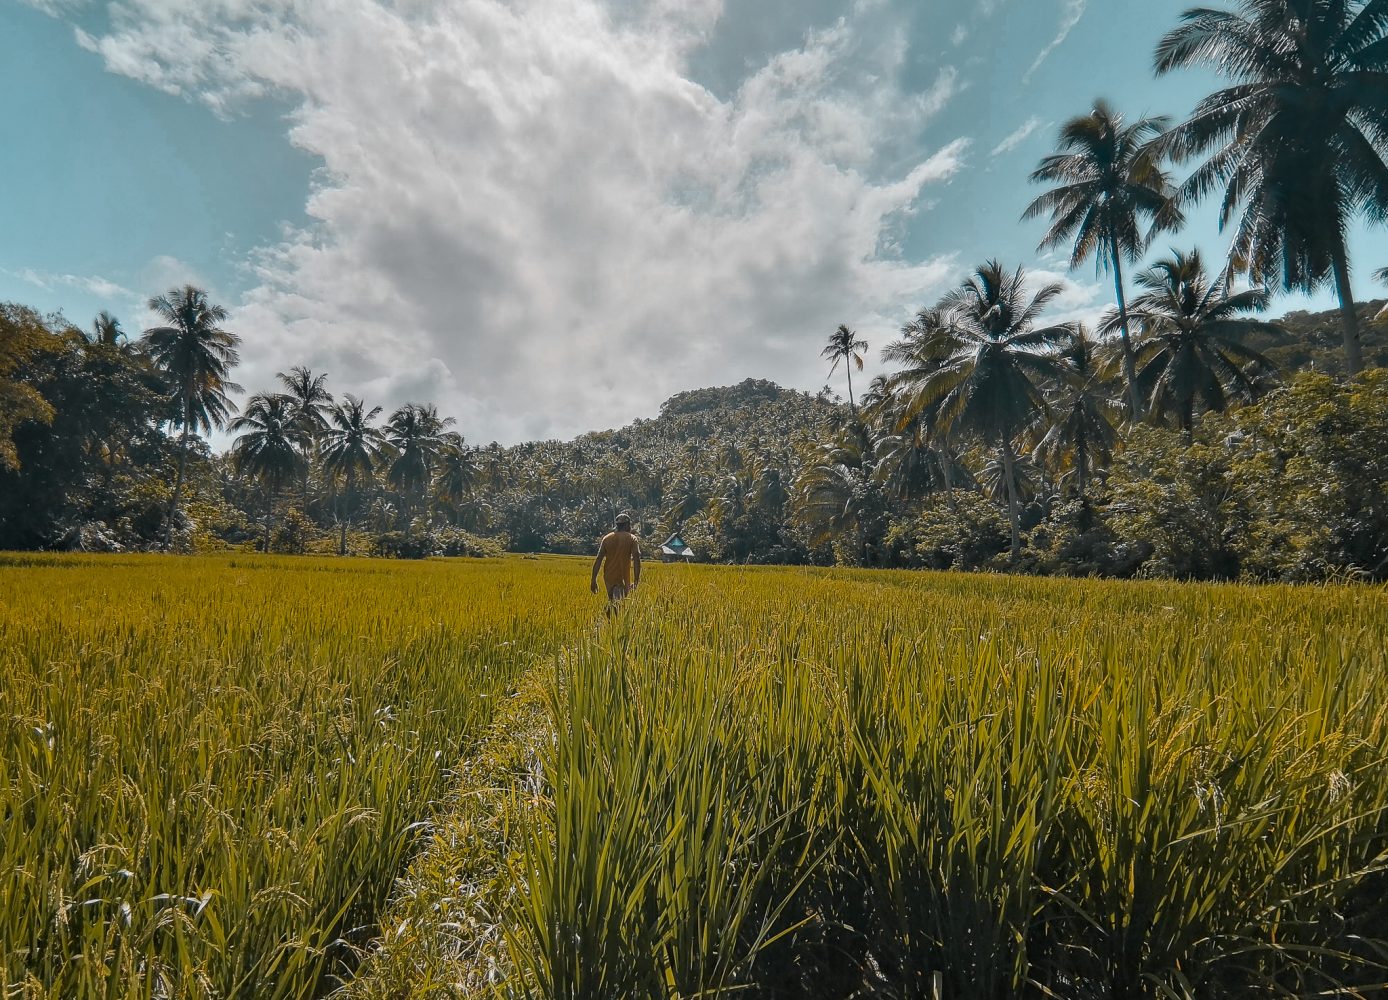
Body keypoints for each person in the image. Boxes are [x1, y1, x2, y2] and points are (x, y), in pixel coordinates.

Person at [591, 512, 641, 607]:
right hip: (622, 577)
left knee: (614, 603)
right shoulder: (632, 539)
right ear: (627, 525)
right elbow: (637, 559)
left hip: (608, 578)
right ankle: (610, 617)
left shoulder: (606, 538)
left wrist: (593, 580)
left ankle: (609, 619)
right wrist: (636, 580)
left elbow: (598, 559)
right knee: (618, 606)